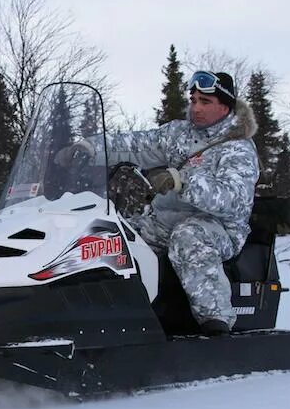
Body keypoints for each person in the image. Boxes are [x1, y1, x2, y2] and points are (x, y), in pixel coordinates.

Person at [107, 70, 259, 335]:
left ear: (224, 107)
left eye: (205, 102)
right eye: (194, 99)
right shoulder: (178, 134)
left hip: (219, 228)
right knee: (112, 236)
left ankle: (216, 320)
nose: (196, 108)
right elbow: (134, 145)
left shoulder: (238, 148)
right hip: (164, 222)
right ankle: (117, 320)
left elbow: (234, 200)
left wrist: (182, 181)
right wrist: (88, 148)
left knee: (188, 236)